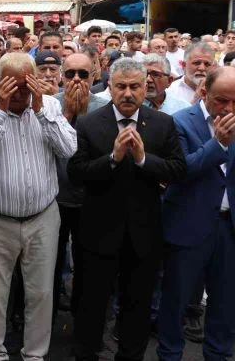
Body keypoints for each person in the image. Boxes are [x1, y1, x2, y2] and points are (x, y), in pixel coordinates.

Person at [69, 58, 186, 361]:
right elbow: (77, 173)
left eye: (135, 86)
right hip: (98, 233)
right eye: (120, 86)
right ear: (109, 87)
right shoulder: (89, 123)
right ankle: (86, 353)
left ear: (146, 86)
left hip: (144, 235)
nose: (128, 93)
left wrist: (144, 159)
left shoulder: (162, 123)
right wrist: (113, 157)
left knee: (137, 306)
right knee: (92, 304)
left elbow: (177, 170)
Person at [0, 52, 77, 361]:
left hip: (42, 216)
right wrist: (0, 111)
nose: (19, 96)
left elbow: (69, 148)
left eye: (25, 88)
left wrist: (41, 109)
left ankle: (35, 355)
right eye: (11, 88)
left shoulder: (49, 105)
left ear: (35, 82)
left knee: (40, 293)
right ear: (0, 83)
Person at [158, 67, 235, 361]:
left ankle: (218, 355)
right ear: (203, 93)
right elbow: (179, 172)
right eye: (221, 101)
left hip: (229, 229)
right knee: (175, 301)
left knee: (226, 304)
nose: (228, 109)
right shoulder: (179, 123)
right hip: (188, 226)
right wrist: (217, 144)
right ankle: (169, 355)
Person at [52, 53, 108, 317]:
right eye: (70, 73)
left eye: (83, 74)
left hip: (90, 199)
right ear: (62, 76)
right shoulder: (50, 105)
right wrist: (66, 112)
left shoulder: (104, 108)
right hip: (55, 198)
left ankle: (82, 314)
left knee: (87, 262)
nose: (76, 79)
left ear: (94, 75)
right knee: (51, 262)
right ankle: (48, 312)